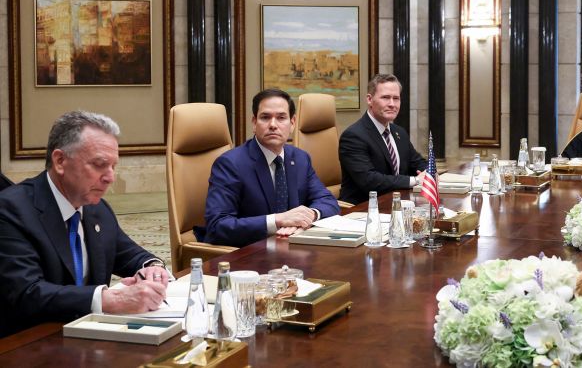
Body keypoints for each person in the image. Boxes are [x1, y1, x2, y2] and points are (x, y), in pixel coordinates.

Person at [0, 111, 170, 338]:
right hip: (30, 341)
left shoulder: (95, 208)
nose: (110, 177)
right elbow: (27, 293)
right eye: (99, 165)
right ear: (60, 161)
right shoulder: (11, 210)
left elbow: (129, 254)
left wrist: (153, 268)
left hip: (89, 337)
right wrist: (110, 299)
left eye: (113, 166)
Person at [200, 88, 340, 247]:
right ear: (254, 123)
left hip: (292, 246)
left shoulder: (300, 158)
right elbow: (217, 226)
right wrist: (278, 220)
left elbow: (328, 201)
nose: (273, 125)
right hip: (249, 252)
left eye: (281, 118)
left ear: (292, 123)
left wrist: (309, 215)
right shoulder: (230, 164)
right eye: (265, 117)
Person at [339, 73, 427, 205]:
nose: (392, 104)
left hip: (397, 204)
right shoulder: (353, 136)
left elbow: (418, 163)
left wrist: (429, 173)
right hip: (363, 209)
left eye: (396, 98)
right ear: (369, 99)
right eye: (385, 97)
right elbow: (370, 181)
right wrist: (416, 180)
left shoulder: (399, 132)